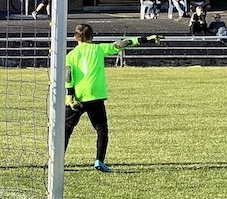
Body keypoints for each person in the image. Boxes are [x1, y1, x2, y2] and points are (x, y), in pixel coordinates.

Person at [64, 23, 159, 172]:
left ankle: (57, 161)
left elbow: (68, 75)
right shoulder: (98, 49)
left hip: (77, 97)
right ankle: (99, 161)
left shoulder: (70, 56)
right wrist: (144, 39)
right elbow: (121, 44)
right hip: (95, 95)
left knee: (66, 129)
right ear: (92, 37)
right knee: (101, 129)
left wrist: (70, 95)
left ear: (75, 38)